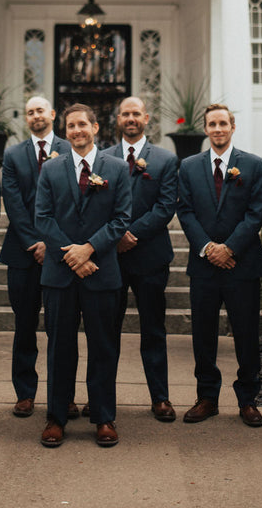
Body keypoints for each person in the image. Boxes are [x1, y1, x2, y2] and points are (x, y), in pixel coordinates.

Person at [35, 103, 131, 448]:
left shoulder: (117, 169)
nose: (76, 130)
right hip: (60, 274)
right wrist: (73, 255)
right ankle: (56, 417)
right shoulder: (51, 169)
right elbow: (42, 218)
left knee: (103, 348)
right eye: (70, 125)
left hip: (101, 272)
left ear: (95, 127)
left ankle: (104, 417)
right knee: (60, 349)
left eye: (82, 124)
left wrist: (89, 249)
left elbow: (121, 219)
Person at [177, 103, 262, 427]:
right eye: (212, 124)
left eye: (223, 124)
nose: (217, 129)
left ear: (232, 127)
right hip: (203, 267)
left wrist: (229, 248)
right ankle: (207, 398)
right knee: (203, 335)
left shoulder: (254, 165)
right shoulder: (188, 166)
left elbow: (256, 213)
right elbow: (185, 211)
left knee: (245, 334)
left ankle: (248, 400)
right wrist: (206, 248)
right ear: (205, 129)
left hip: (242, 266)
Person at [0, 94, 74, 418]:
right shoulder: (13, 155)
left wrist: (53, 244)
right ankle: (25, 393)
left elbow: (73, 202)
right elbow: (13, 204)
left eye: (40, 110)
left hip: (61, 254)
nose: (35, 116)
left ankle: (64, 396)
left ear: (52, 114)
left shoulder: (70, 149)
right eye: (30, 112)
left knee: (62, 330)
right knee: (25, 326)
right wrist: (35, 242)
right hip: (23, 253)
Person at [104, 95, 178, 421]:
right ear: (117, 119)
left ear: (147, 118)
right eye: (125, 114)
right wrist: (115, 235)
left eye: (136, 113)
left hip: (150, 257)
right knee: (106, 331)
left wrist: (132, 234)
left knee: (153, 330)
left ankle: (160, 398)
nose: (131, 118)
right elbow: (94, 205)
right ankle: (102, 397)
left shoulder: (165, 159)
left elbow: (166, 206)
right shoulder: (102, 158)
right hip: (111, 259)